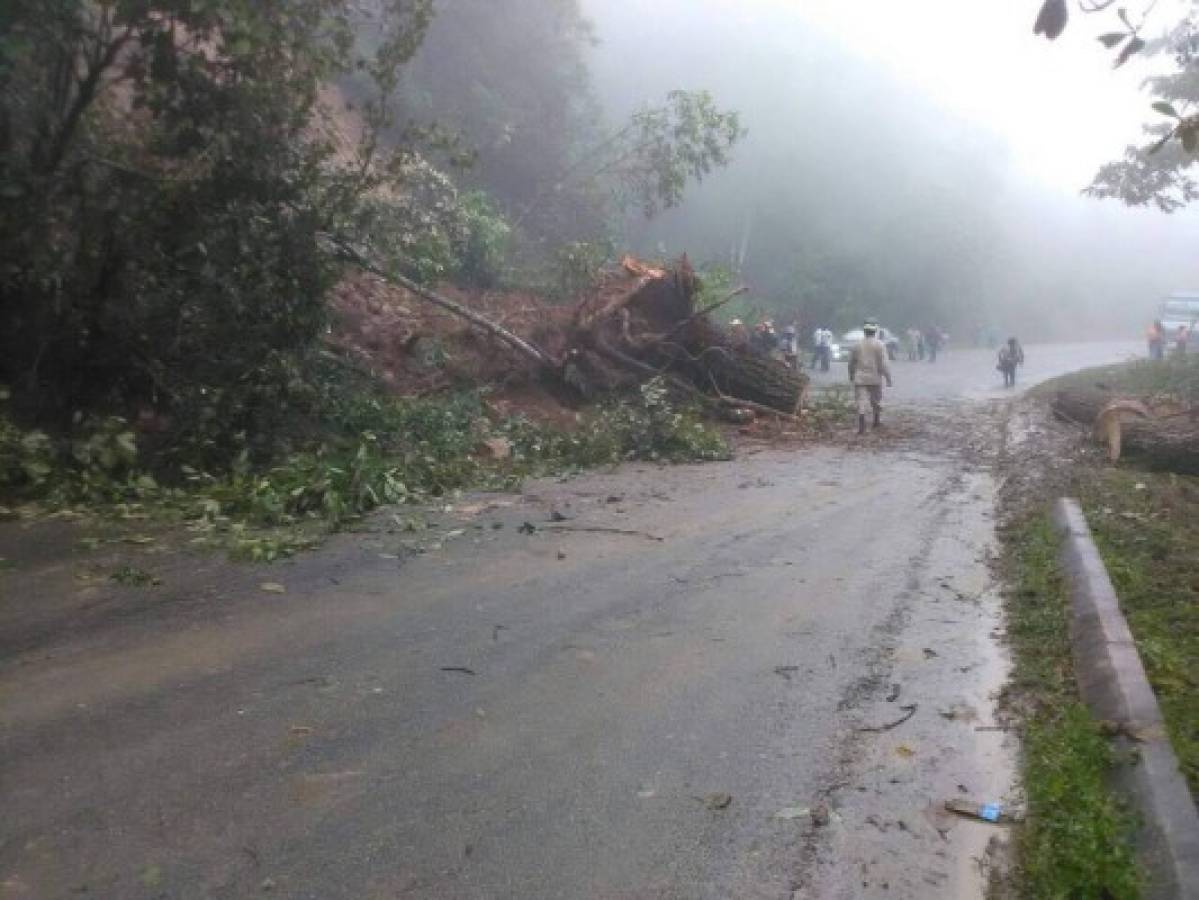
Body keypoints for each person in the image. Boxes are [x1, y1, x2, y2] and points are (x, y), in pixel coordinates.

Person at [848, 320, 892, 435]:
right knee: (876, 400)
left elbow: (851, 362)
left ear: (864, 332)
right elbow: (884, 364)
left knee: (861, 401)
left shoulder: (857, 345)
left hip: (860, 377)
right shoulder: (880, 345)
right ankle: (876, 421)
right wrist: (888, 378)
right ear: (875, 332)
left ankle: (862, 425)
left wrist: (851, 374)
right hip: (875, 377)